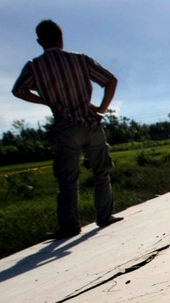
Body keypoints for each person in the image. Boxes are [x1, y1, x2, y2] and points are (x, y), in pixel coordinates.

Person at [12, 19, 122, 239]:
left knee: (67, 178)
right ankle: (104, 215)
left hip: (66, 127)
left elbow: (19, 91)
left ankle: (70, 226)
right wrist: (102, 109)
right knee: (101, 171)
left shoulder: (34, 66)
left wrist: (48, 102)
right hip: (91, 124)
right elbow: (111, 80)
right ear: (61, 38)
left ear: (39, 42)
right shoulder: (79, 59)